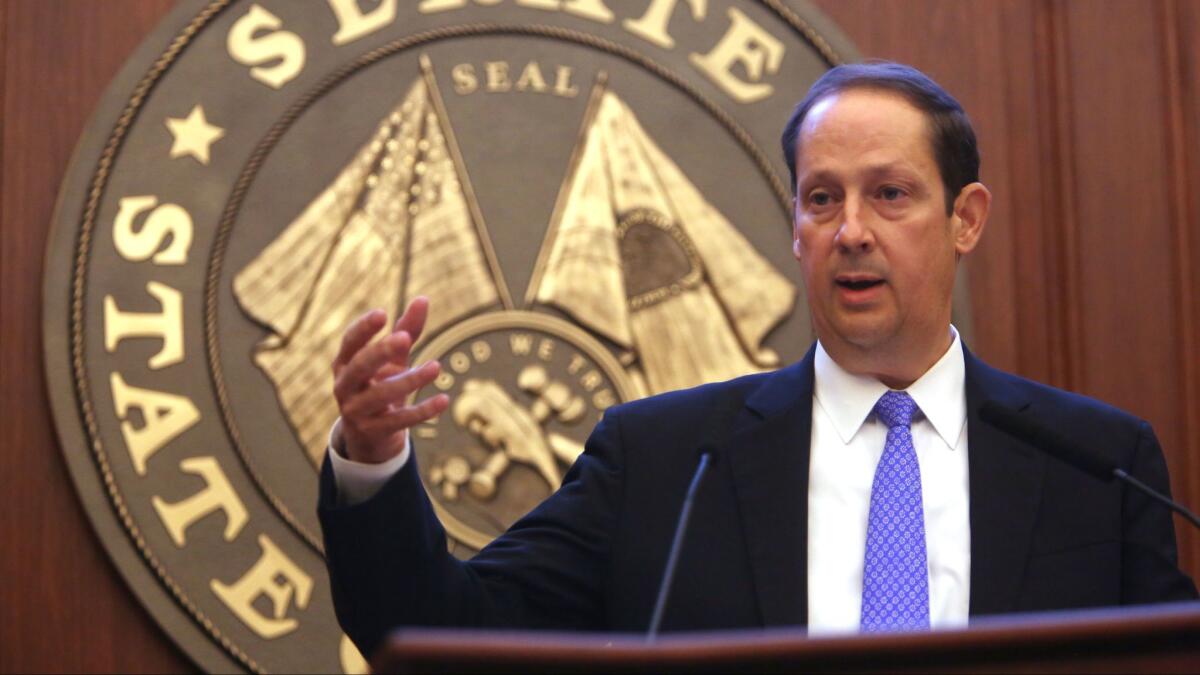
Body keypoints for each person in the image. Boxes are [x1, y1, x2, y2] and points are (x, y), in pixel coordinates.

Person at [318, 62, 1198, 658]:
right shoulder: (662, 461)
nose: (851, 230)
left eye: (889, 194)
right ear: (796, 225)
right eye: (824, 198)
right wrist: (369, 460)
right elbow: (436, 631)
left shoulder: (1099, 466)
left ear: (966, 218)